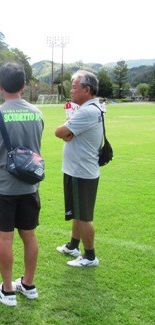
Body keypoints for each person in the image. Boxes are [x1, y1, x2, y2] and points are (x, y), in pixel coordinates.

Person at [0, 62, 43, 307]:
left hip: (3, 187)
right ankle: (28, 285)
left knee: (5, 239)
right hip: (30, 185)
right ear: (24, 85)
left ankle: (7, 291)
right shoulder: (37, 112)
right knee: (29, 235)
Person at [55, 70, 102, 267]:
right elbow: (67, 133)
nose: (71, 90)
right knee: (77, 211)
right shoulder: (92, 109)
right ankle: (73, 245)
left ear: (87, 89)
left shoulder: (87, 111)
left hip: (81, 171)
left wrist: (67, 131)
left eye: (75, 86)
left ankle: (90, 256)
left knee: (84, 216)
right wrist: (68, 132)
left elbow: (59, 131)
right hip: (79, 169)